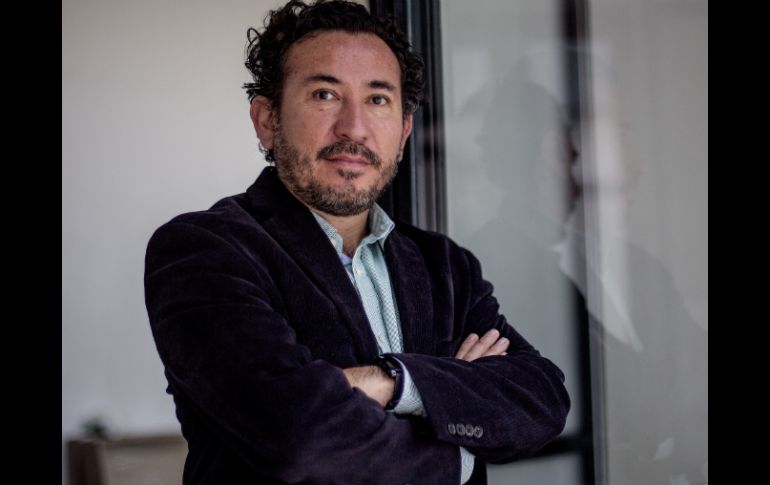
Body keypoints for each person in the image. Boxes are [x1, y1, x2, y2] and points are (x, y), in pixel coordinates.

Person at [143, 1, 569, 484]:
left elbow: (541, 401)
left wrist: (392, 381)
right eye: (325, 94)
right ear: (267, 119)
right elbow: (296, 437)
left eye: (378, 99)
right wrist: (457, 445)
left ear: (404, 131)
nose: (354, 128)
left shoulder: (445, 265)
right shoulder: (203, 250)